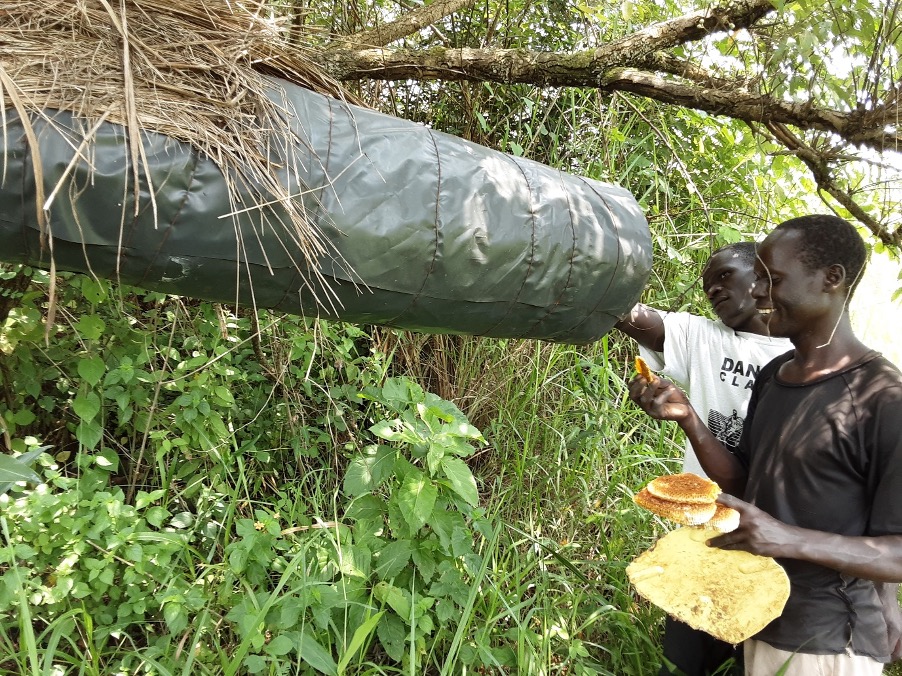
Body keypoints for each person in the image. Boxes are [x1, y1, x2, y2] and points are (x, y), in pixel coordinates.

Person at [629, 215, 902, 675]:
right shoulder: (774, 377)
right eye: (756, 277)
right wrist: (689, 418)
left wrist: (786, 538)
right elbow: (743, 480)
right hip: (754, 611)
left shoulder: (882, 399)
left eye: (772, 279)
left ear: (831, 279)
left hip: (827, 638)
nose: (757, 293)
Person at [616, 242, 791, 676]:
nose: (712, 288)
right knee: (683, 660)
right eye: (707, 284)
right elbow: (627, 314)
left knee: (753, 661)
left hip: (778, 540)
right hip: (705, 534)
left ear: (764, 277)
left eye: (724, 275)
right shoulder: (703, 337)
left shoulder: (802, 359)